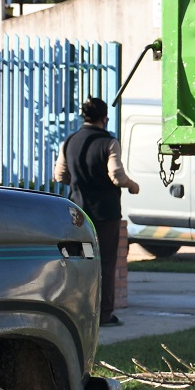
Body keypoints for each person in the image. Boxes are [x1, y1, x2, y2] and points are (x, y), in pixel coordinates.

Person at [54, 98, 140, 327]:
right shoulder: (109, 143)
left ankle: (75, 310)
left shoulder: (70, 141)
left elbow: (59, 175)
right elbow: (116, 175)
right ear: (105, 118)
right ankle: (103, 314)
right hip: (105, 215)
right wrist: (132, 185)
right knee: (105, 263)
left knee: (80, 259)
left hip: (78, 215)